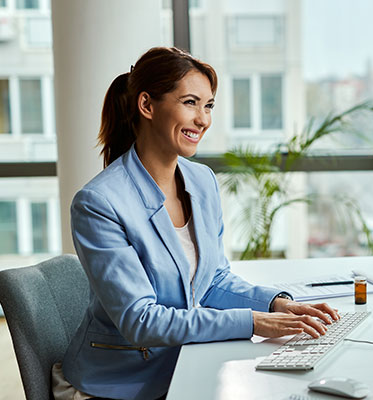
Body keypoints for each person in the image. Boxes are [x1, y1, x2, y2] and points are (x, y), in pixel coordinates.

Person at [52, 47, 339, 400]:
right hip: (117, 384)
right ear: (147, 106)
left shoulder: (201, 180)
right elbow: (141, 320)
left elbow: (213, 279)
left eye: (209, 105)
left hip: (181, 363)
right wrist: (252, 322)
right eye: (190, 102)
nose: (203, 119)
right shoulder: (99, 203)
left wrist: (275, 305)